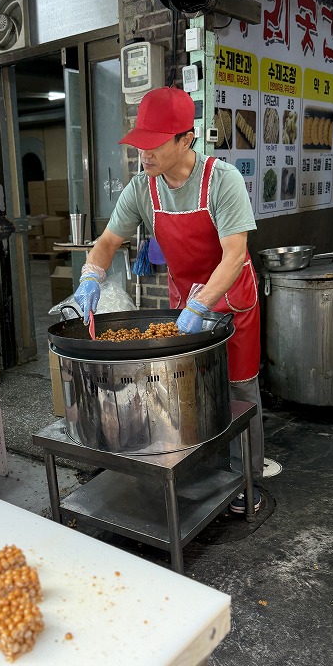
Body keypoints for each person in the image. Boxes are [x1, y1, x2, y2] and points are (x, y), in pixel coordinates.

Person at [74, 85, 264, 514]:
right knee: (192, 391)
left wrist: (204, 306)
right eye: (140, 142)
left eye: (154, 143)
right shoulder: (143, 187)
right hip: (184, 301)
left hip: (230, 298)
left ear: (185, 139)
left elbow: (235, 255)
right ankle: (204, 475)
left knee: (239, 390)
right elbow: (107, 240)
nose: (144, 153)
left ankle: (247, 482)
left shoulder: (222, 180)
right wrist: (90, 276)